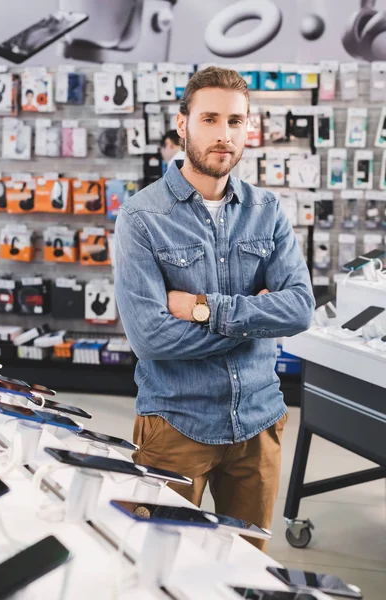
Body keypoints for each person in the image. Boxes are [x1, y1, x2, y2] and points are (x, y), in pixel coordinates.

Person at [114, 66, 315, 551]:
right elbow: (150, 337)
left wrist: (204, 309)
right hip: (176, 424)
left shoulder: (266, 211)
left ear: (249, 127)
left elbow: (300, 309)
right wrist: (255, 317)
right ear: (182, 124)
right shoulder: (142, 217)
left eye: (235, 121)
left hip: (259, 422)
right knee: (158, 565)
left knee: (247, 567)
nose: (224, 135)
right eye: (210, 118)